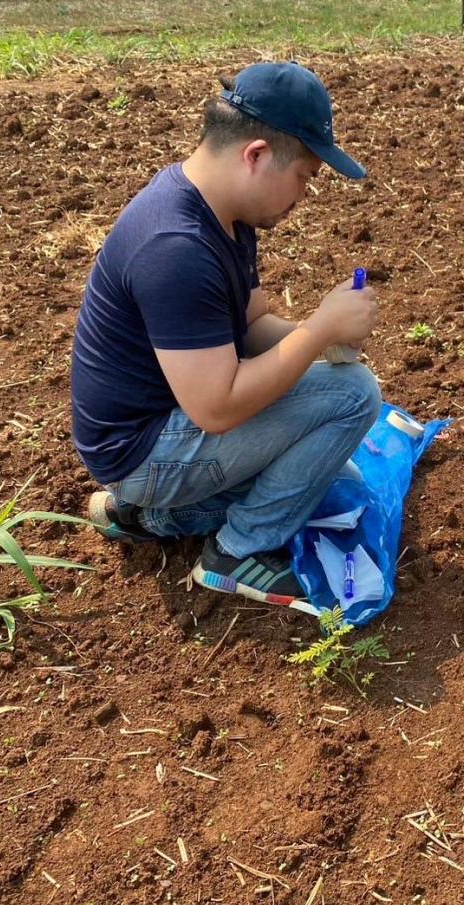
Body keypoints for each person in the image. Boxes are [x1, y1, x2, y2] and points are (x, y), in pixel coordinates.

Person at [71, 62, 382, 610]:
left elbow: (253, 325)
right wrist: (317, 332)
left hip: (159, 432)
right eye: (305, 177)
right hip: (145, 449)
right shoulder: (177, 247)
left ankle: (152, 517)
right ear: (257, 155)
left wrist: (324, 347)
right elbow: (218, 408)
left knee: (335, 469)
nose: (303, 196)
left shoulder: (225, 213)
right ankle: (235, 552)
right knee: (354, 397)